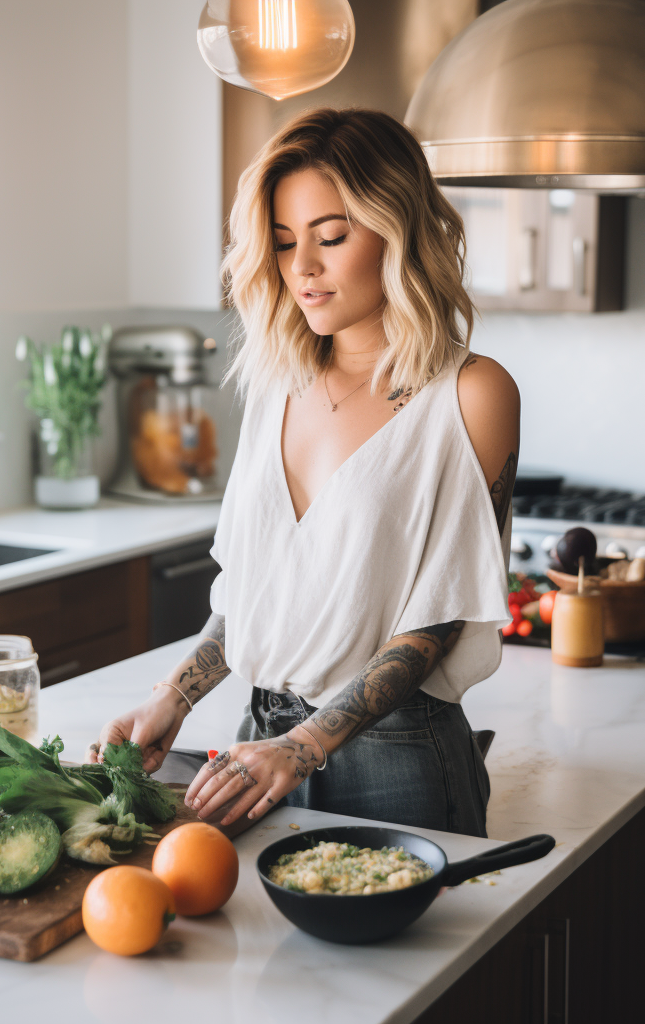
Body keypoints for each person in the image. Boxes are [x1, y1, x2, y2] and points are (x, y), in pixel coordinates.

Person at [94, 107, 519, 838]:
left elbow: (437, 622)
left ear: (399, 229)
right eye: (285, 243)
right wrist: (175, 697)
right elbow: (261, 591)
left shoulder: (471, 395)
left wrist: (308, 744)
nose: (302, 269)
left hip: (397, 759)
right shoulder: (276, 385)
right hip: (257, 745)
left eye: (330, 237)